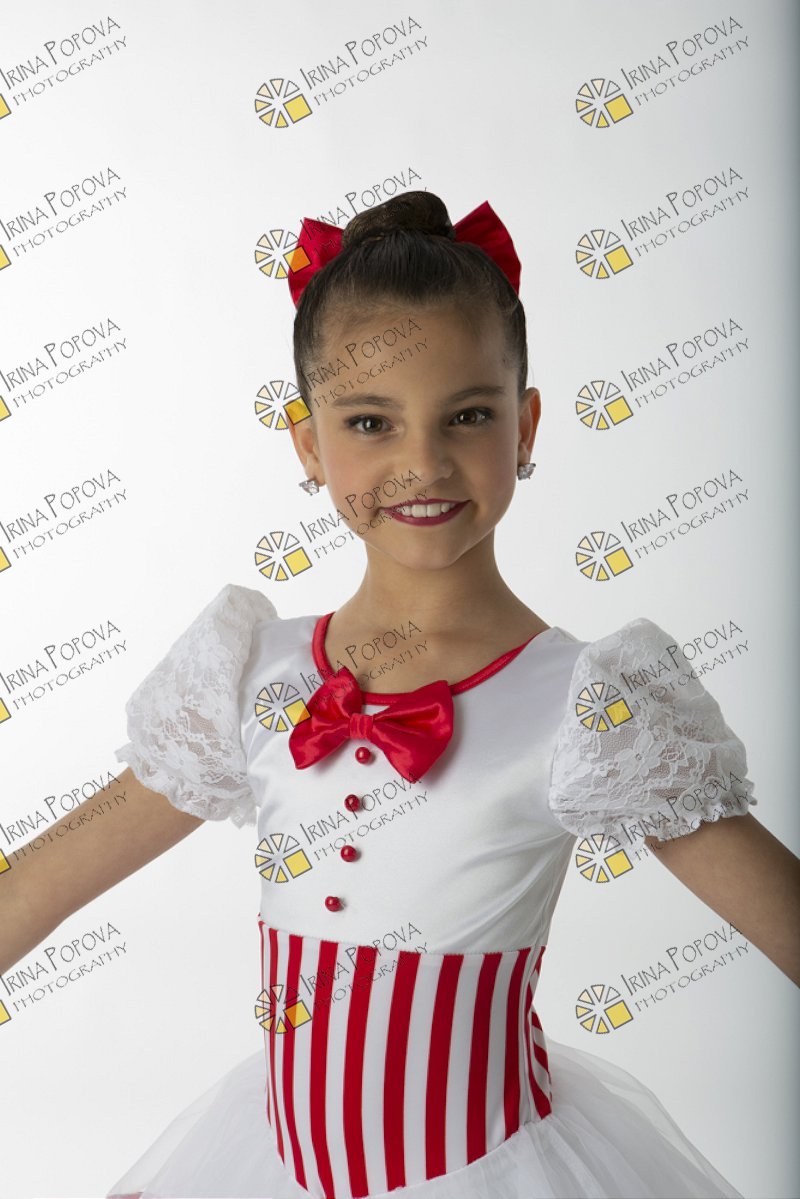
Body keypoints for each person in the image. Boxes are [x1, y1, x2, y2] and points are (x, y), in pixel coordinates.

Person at [3, 191, 799, 1199]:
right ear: (308, 444)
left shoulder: (590, 704)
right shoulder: (249, 677)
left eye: (468, 415)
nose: (421, 462)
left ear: (525, 426)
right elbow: (32, 887)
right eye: (370, 422)